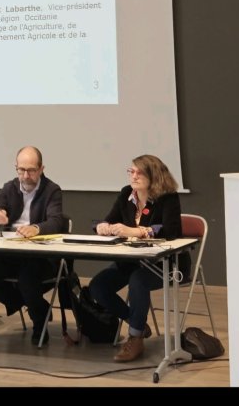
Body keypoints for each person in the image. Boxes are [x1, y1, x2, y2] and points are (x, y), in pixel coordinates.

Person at [89, 154, 187, 362]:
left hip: (167, 264)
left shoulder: (167, 197)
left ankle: (134, 338)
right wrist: (102, 226)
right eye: (130, 171)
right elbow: (110, 219)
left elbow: (171, 231)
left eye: (138, 172)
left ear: (154, 175)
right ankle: (138, 325)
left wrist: (138, 231)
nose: (133, 176)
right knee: (98, 286)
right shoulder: (127, 194)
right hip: (133, 261)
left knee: (138, 281)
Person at [0, 146, 64, 345]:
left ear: (41, 169)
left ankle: (39, 321)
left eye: (31, 170)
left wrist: (37, 228)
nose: (26, 175)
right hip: (10, 252)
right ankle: (35, 306)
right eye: (21, 170)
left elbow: (57, 221)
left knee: (26, 281)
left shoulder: (52, 190)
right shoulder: (9, 187)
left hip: (39, 256)